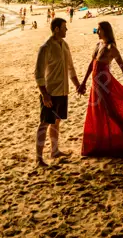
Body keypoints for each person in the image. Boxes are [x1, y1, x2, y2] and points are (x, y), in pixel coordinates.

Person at [80, 21, 123, 157]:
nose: (97, 32)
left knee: (111, 112)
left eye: (99, 29)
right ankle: (101, 142)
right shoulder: (98, 45)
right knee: (97, 112)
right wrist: (83, 82)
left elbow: (122, 66)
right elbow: (92, 64)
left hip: (104, 84)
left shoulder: (111, 47)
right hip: (95, 84)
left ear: (106, 31)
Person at [34, 18, 84, 165]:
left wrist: (77, 85)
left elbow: (71, 68)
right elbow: (38, 74)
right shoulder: (46, 47)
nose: (66, 30)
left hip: (63, 92)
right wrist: (44, 94)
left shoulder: (65, 45)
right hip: (50, 92)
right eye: (64, 27)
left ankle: (54, 151)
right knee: (44, 123)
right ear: (56, 29)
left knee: (56, 122)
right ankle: (39, 158)